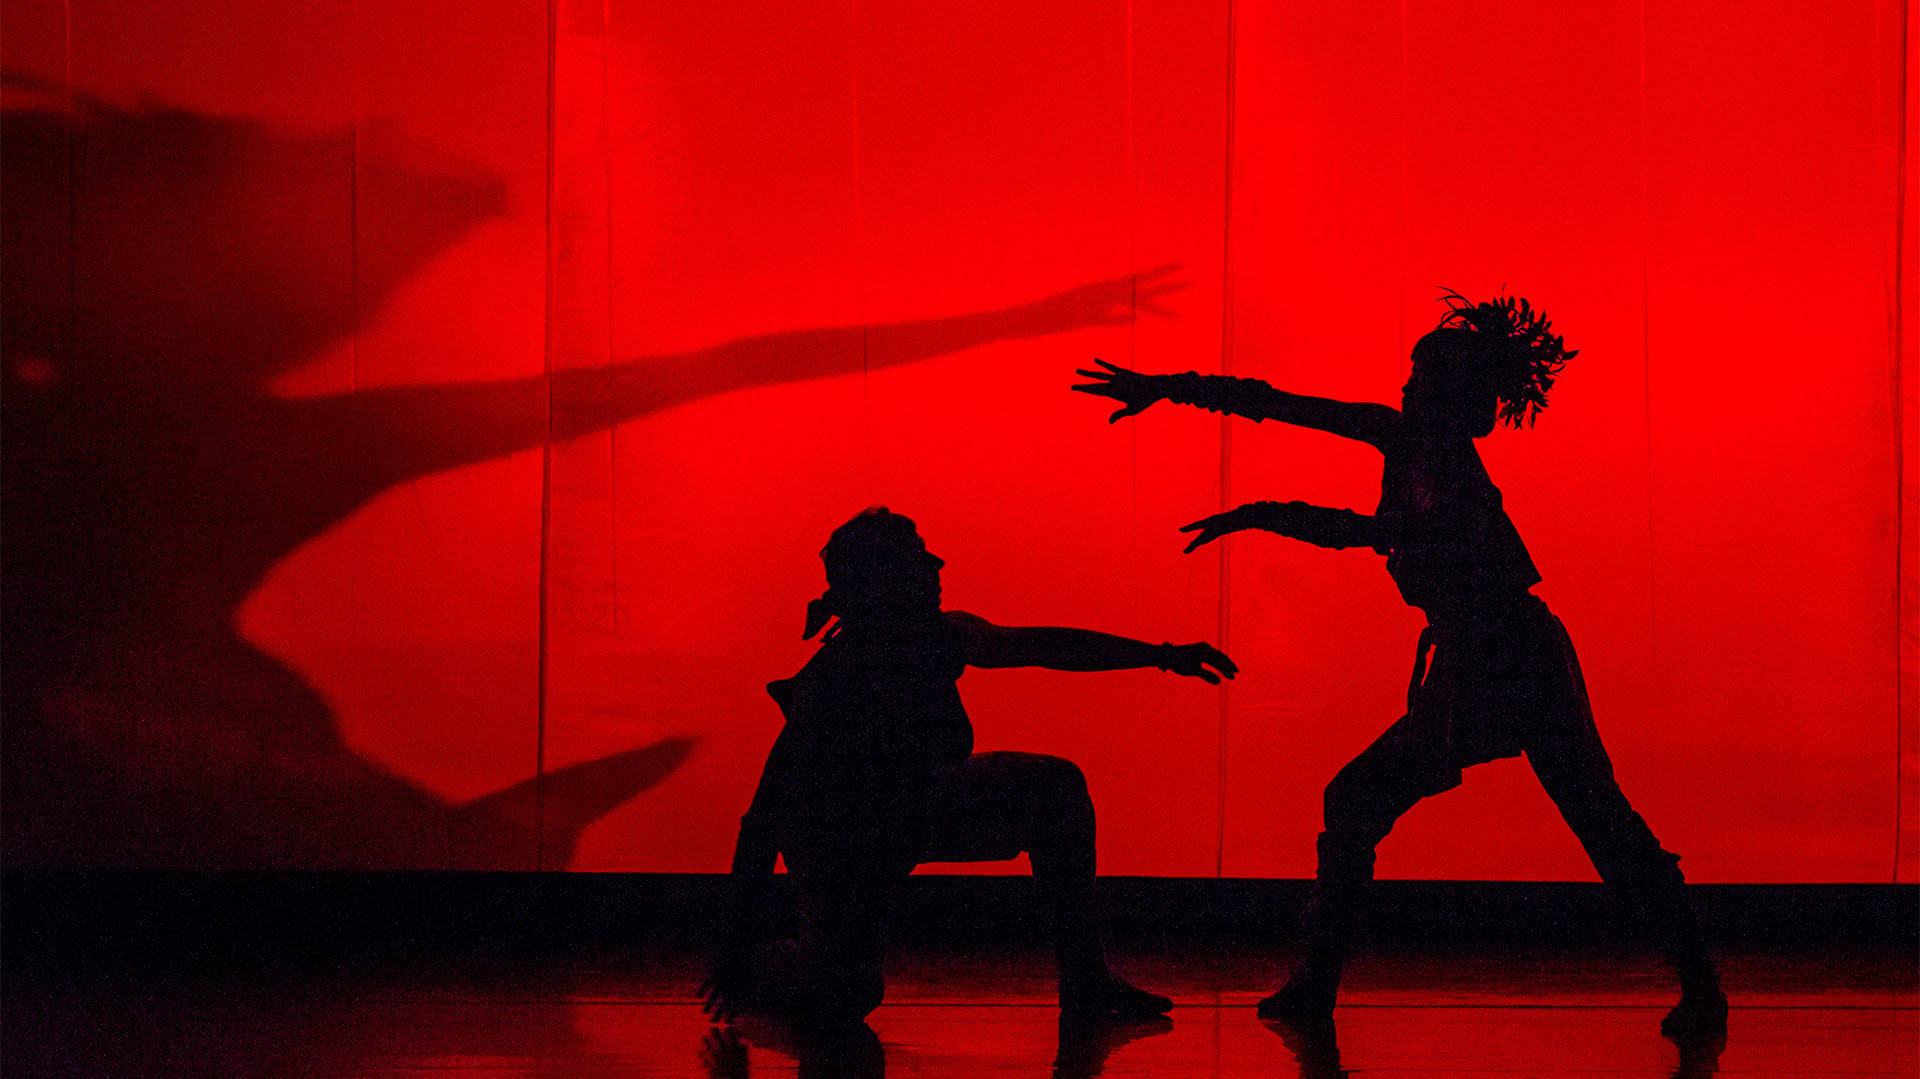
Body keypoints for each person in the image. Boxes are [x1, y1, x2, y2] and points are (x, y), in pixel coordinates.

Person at [1072, 291, 1726, 1042]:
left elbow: (1305, 445)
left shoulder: (1433, 456)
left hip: (1515, 661)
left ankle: (1699, 980)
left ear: (1442, 392)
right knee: (1368, 802)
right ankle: (1316, 985)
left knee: (1585, 820)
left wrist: (1198, 428)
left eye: (1417, 377)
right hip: (1486, 662)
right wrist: (1220, 457)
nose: (1406, 386)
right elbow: (1316, 462)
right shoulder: (1416, 450)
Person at [703, 507, 1236, 1030]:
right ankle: (771, 962)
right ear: (885, 581)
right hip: (845, 844)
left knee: (1055, 786)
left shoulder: (940, 638)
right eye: (919, 559)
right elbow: (764, 819)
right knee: (846, 996)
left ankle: (1085, 979)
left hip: (915, 810)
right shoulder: (834, 681)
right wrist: (733, 948)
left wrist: (1161, 655)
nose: (938, 566)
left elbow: (1045, 646)